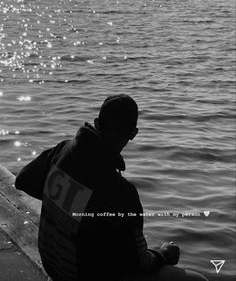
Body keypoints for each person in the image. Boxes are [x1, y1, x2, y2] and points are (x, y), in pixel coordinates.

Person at [15, 94, 208, 281]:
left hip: (54, 268)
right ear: (133, 134)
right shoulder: (119, 191)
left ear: (97, 123)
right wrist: (165, 254)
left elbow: (22, 180)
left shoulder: (62, 150)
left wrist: (67, 207)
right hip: (80, 276)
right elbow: (140, 263)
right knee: (197, 279)